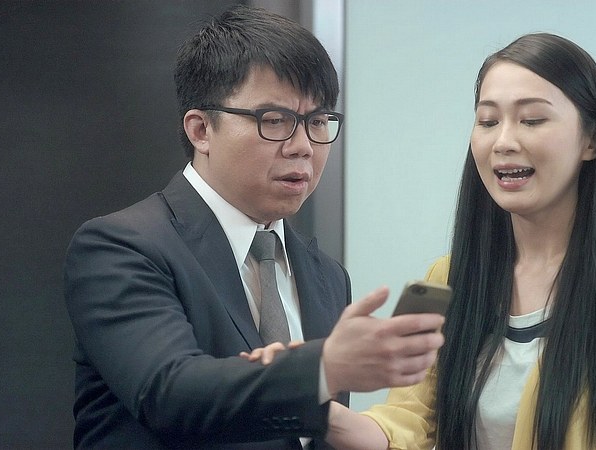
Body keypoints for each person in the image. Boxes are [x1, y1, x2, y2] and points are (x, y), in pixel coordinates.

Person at [252, 33, 596, 449]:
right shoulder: (447, 278)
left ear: (591, 140)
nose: (503, 141)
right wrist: (302, 386)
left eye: (532, 119)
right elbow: (405, 423)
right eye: (488, 121)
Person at [63, 6, 444, 449]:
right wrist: (324, 367)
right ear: (201, 130)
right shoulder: (121, 247)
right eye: (274, 120)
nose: (302, 146)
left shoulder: (326, 274)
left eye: (317, 121)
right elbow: (170, 394)